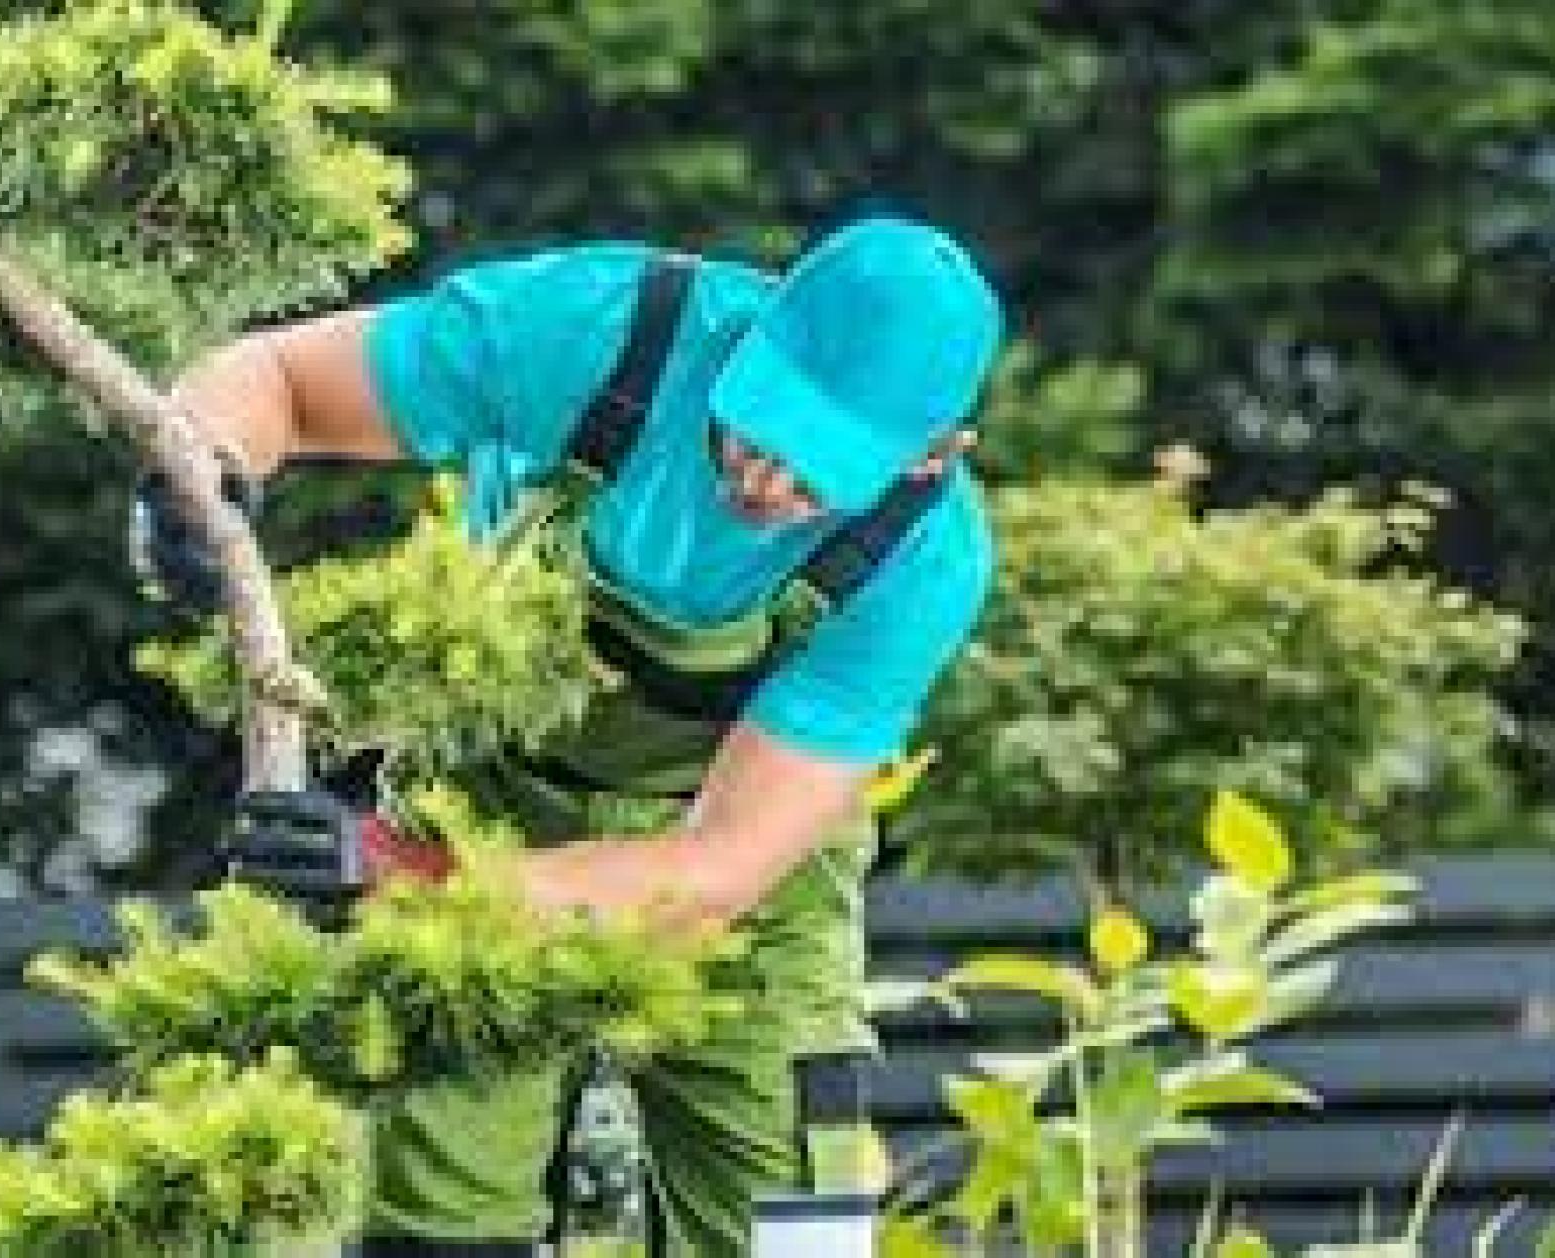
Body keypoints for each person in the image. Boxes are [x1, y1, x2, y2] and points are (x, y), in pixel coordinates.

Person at [133, 215, 1003, 1256]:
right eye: (760, 426)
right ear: (756, 328)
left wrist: (405, 876)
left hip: (743, 892)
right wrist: (198, 487)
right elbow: (271, 375)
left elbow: (715, 871)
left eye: (820, 467)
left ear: (931, 455)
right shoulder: (600, 330)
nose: (764, 482)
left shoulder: (922, 563)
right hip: (490, 793)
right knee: (438, 1217)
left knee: (799, 1233)